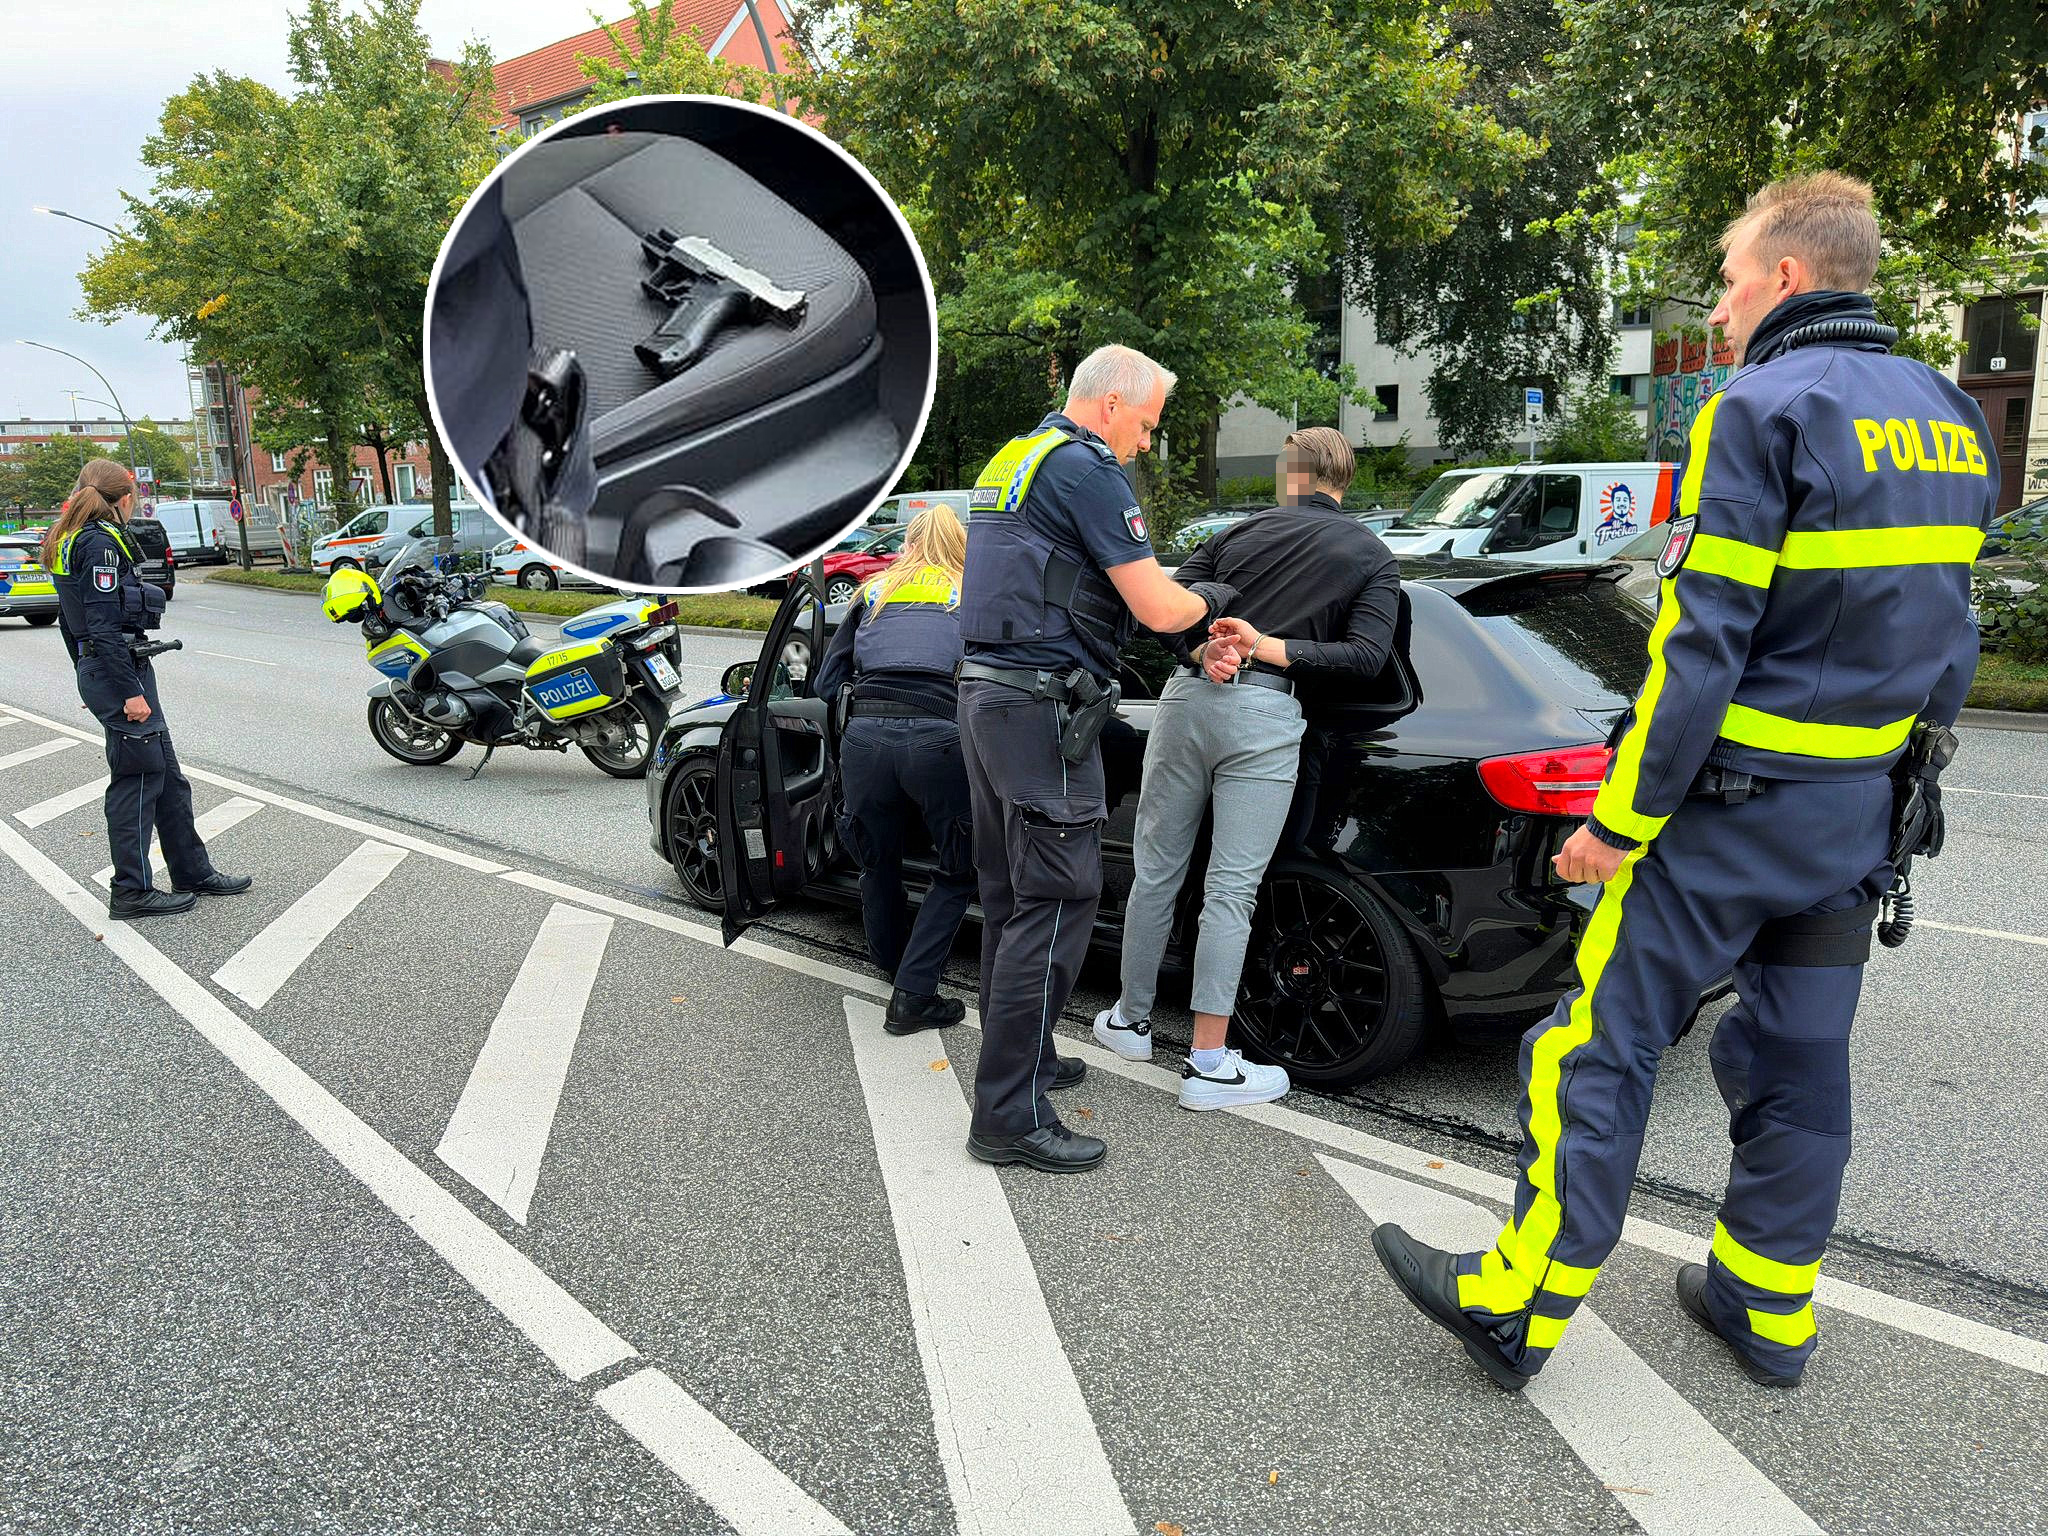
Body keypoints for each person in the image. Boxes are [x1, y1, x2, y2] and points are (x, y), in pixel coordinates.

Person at [1372, 173, 1995, 1391]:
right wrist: (1908, 781)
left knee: (1591, 1049)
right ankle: (1766, 1309)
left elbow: (1697, 646)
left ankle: (1515, 1303)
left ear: (1785, 277)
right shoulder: (1943, 410)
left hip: (1729, 816)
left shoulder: (1759, 405)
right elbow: (1949, 632)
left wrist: (1618, 819)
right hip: (1855, 812)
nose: (1718, 302)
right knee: (1797, 1057)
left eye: (1726, 275)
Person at [957, 344, 1238, 1174]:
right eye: (1147, 424)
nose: (1148, 442)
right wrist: (1214, 600)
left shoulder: (1018, 457)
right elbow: (1156, 604)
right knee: (1057, 899)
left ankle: (1029, 1061)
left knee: (1012, 897)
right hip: (1044, 708)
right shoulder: (1086, 469)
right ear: (1112, 404)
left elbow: (1055, 585)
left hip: (988, 695)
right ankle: (1007, 1115)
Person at [1093, 427, 1401, 1111]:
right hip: (1264, 714)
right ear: (1342, 482)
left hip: (1186, 705)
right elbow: (1367, 657)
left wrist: (1203, 651)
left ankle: (1130, 1022)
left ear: (1290, 475)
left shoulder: (1236, 535)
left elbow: (1162, 609)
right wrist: (1268, 647)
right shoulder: (1370, 555)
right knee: (1231, 890)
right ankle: (1207, 1062)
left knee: (1157, 869)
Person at [44, 459, 251, 920]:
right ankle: (131, 891)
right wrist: (121, 689)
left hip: (114, 671)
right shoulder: (99, 544)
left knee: (168, 777)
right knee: (137, 781)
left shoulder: (71, 539)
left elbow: (68, 620)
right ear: (124, 498)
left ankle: (192, 871)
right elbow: (99, 625)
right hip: (121, 673)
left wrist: (88, 673)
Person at [812, 503, 976, 1034]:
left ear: (907, 542)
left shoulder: (872, 592)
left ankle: (891, 963)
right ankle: (914, 991)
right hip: (939, 740)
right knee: (958, 866)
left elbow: (824, 685)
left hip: (865, 741)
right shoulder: (968, 593)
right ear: (961, 545)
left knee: (876, 860)